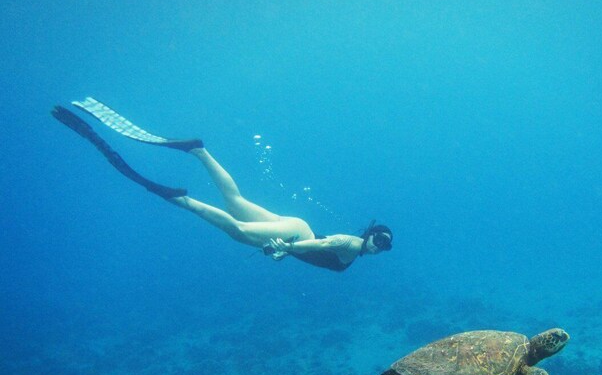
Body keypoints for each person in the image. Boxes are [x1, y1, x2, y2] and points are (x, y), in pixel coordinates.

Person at [51, 98, 392, 271]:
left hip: (297, 230)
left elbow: (317, 248)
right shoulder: (352, 245)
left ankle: (199, 150)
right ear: (370, 234)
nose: (379, 246)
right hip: (296, 235)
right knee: (239, 230)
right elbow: (323, 245)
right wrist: (288, 249)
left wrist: (286, 253)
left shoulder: (355, 250)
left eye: (384, 246)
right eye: (379, 239)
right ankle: (182, 200)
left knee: (234, 201)